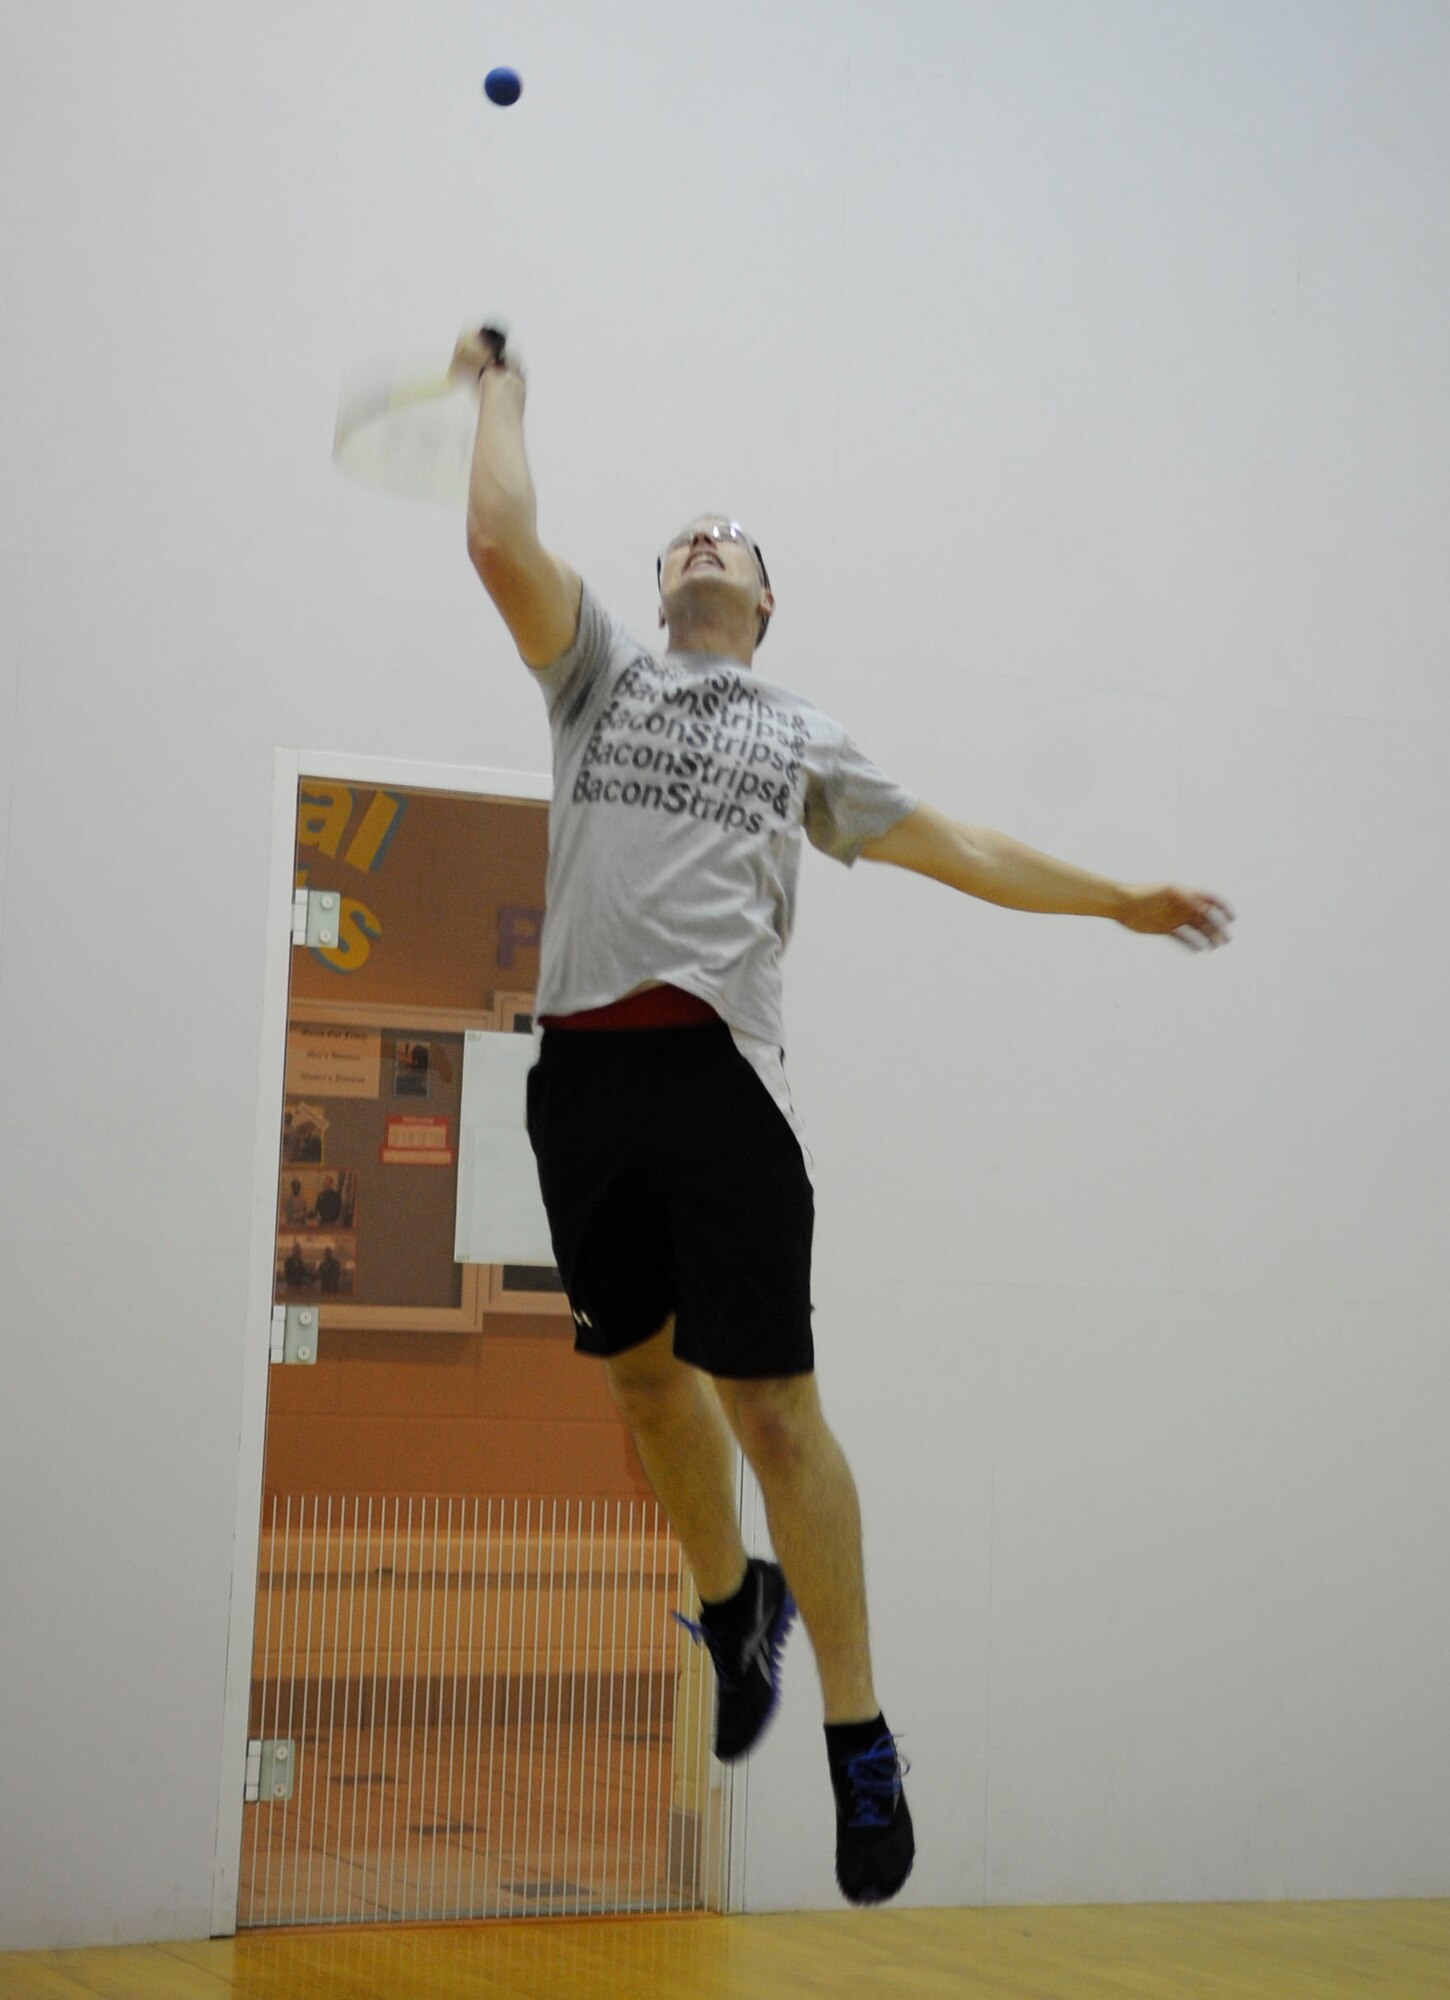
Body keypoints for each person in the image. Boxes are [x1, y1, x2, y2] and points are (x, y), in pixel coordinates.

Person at [452, 326, 1233, 1907]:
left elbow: (954, 842)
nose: (701, 543)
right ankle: (736, 1604)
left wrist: (1112, 903)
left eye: (728, 542)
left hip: (723, 1085)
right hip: (582, 1081)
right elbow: (491, 535)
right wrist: (501, 391)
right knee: (646, 1391)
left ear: (762, 601)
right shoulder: (594, 673)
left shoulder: (797, 730)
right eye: (682, 536)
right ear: (658, 581)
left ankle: (858, 1739)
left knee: (770, 1413)